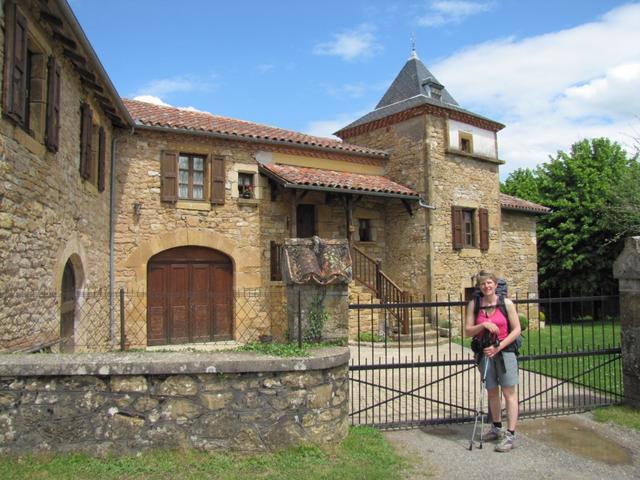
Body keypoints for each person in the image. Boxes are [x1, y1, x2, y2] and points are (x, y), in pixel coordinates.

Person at [465, 270, 521, 452]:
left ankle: (510, 435)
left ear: (496, 285)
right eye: (483, 284)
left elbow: (517, 330)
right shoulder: (475, 304)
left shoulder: (506, 304)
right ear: (479, 287)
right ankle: (496, 428)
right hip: (484, 353)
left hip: (505, 353)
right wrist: (482, 325)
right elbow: (467, 330)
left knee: (509, 393)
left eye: (489, 283)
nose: (486, 286)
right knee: (491, 392)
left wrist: (499, 346)